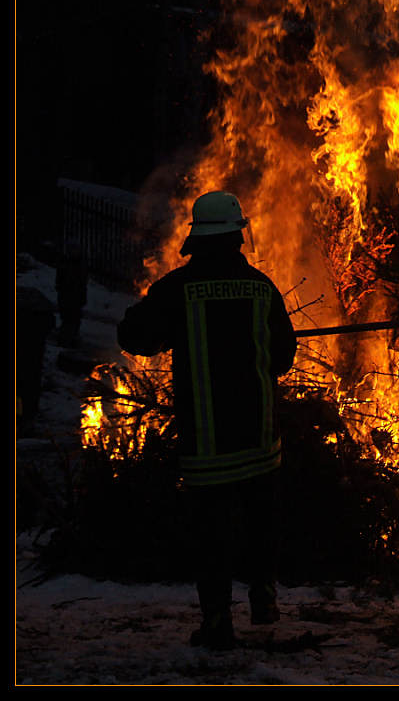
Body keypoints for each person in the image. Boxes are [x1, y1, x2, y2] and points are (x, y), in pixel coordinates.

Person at [117, 191, 297, 650]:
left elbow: (134, 334)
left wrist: (164, 337)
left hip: (207, 440)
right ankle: (264, 596)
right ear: (237, 235)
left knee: (212, 533)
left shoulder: (177, 289)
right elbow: (284, 356)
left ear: (197, 238)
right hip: (259, 436)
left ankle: (218, 621)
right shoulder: (262, 287)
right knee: (263, 521)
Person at [16, 286, 56, 435]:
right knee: (29, 388)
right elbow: (50, 325)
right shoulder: (39, 307)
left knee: (23, 388)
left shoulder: (24, 312)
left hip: (26, 357)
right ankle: (26, 419)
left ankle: (23, 419)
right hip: (33, 357)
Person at [55, 241, 88, 347]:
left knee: (75, 320)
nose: (74, 252)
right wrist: (62, 292)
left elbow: (83, 282)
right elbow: (59, 281)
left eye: (76, 250)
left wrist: (82, 297)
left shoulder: (81, 265)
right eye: (72, 250)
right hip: (66, 296)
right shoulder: (64, 264)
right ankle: (64, 340)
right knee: (67, 320)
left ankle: (72, 340)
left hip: (76, 297)